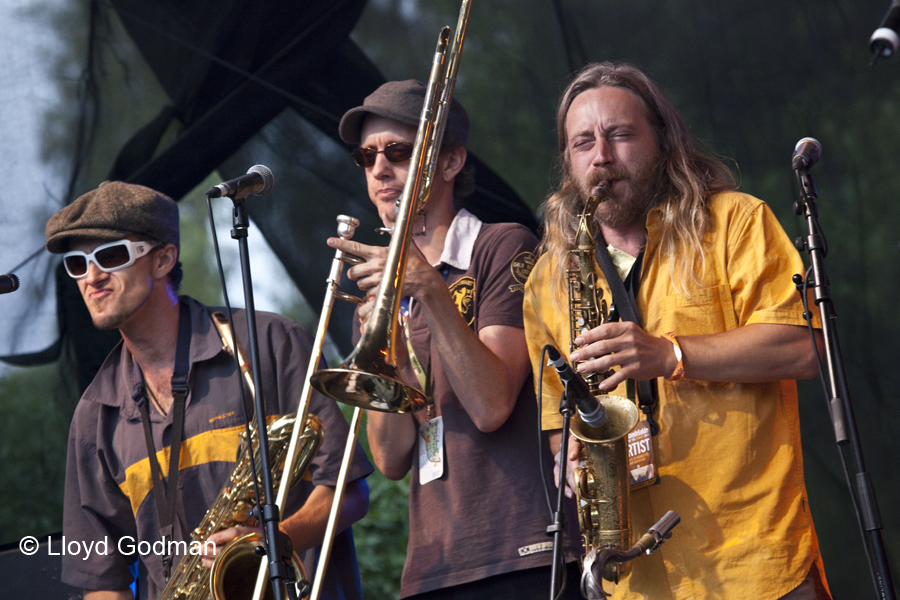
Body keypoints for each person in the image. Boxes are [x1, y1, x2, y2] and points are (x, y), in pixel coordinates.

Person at [523, 61, 831, 600]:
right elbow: (558, 420)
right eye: (582, 143)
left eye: (619, 135)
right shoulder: (549, 278)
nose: (602, 156)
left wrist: (669, 353)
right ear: (568, 163)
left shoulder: (735, 221)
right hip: (638, 580)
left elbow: (804, 344)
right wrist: (567, 461)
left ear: (663, 141)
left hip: (753, 560)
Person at [45, 181, 373, 600]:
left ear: (163, 259)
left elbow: (349, 491)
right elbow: (102, 577)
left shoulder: (269, 343)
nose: (91, 277)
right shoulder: (94, 414)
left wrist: (265, 544)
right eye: (77, 264)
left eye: (110, 256)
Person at [326, 80, 581, 599]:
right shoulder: (386, 289)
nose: (379, 170)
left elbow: (491, 405)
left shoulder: (502, 245)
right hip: (433, 568)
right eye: (366, 156)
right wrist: (389, 347)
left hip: (525, 551)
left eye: (398, 152)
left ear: (450, 162)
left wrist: (431, 291)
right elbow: (391, 459)